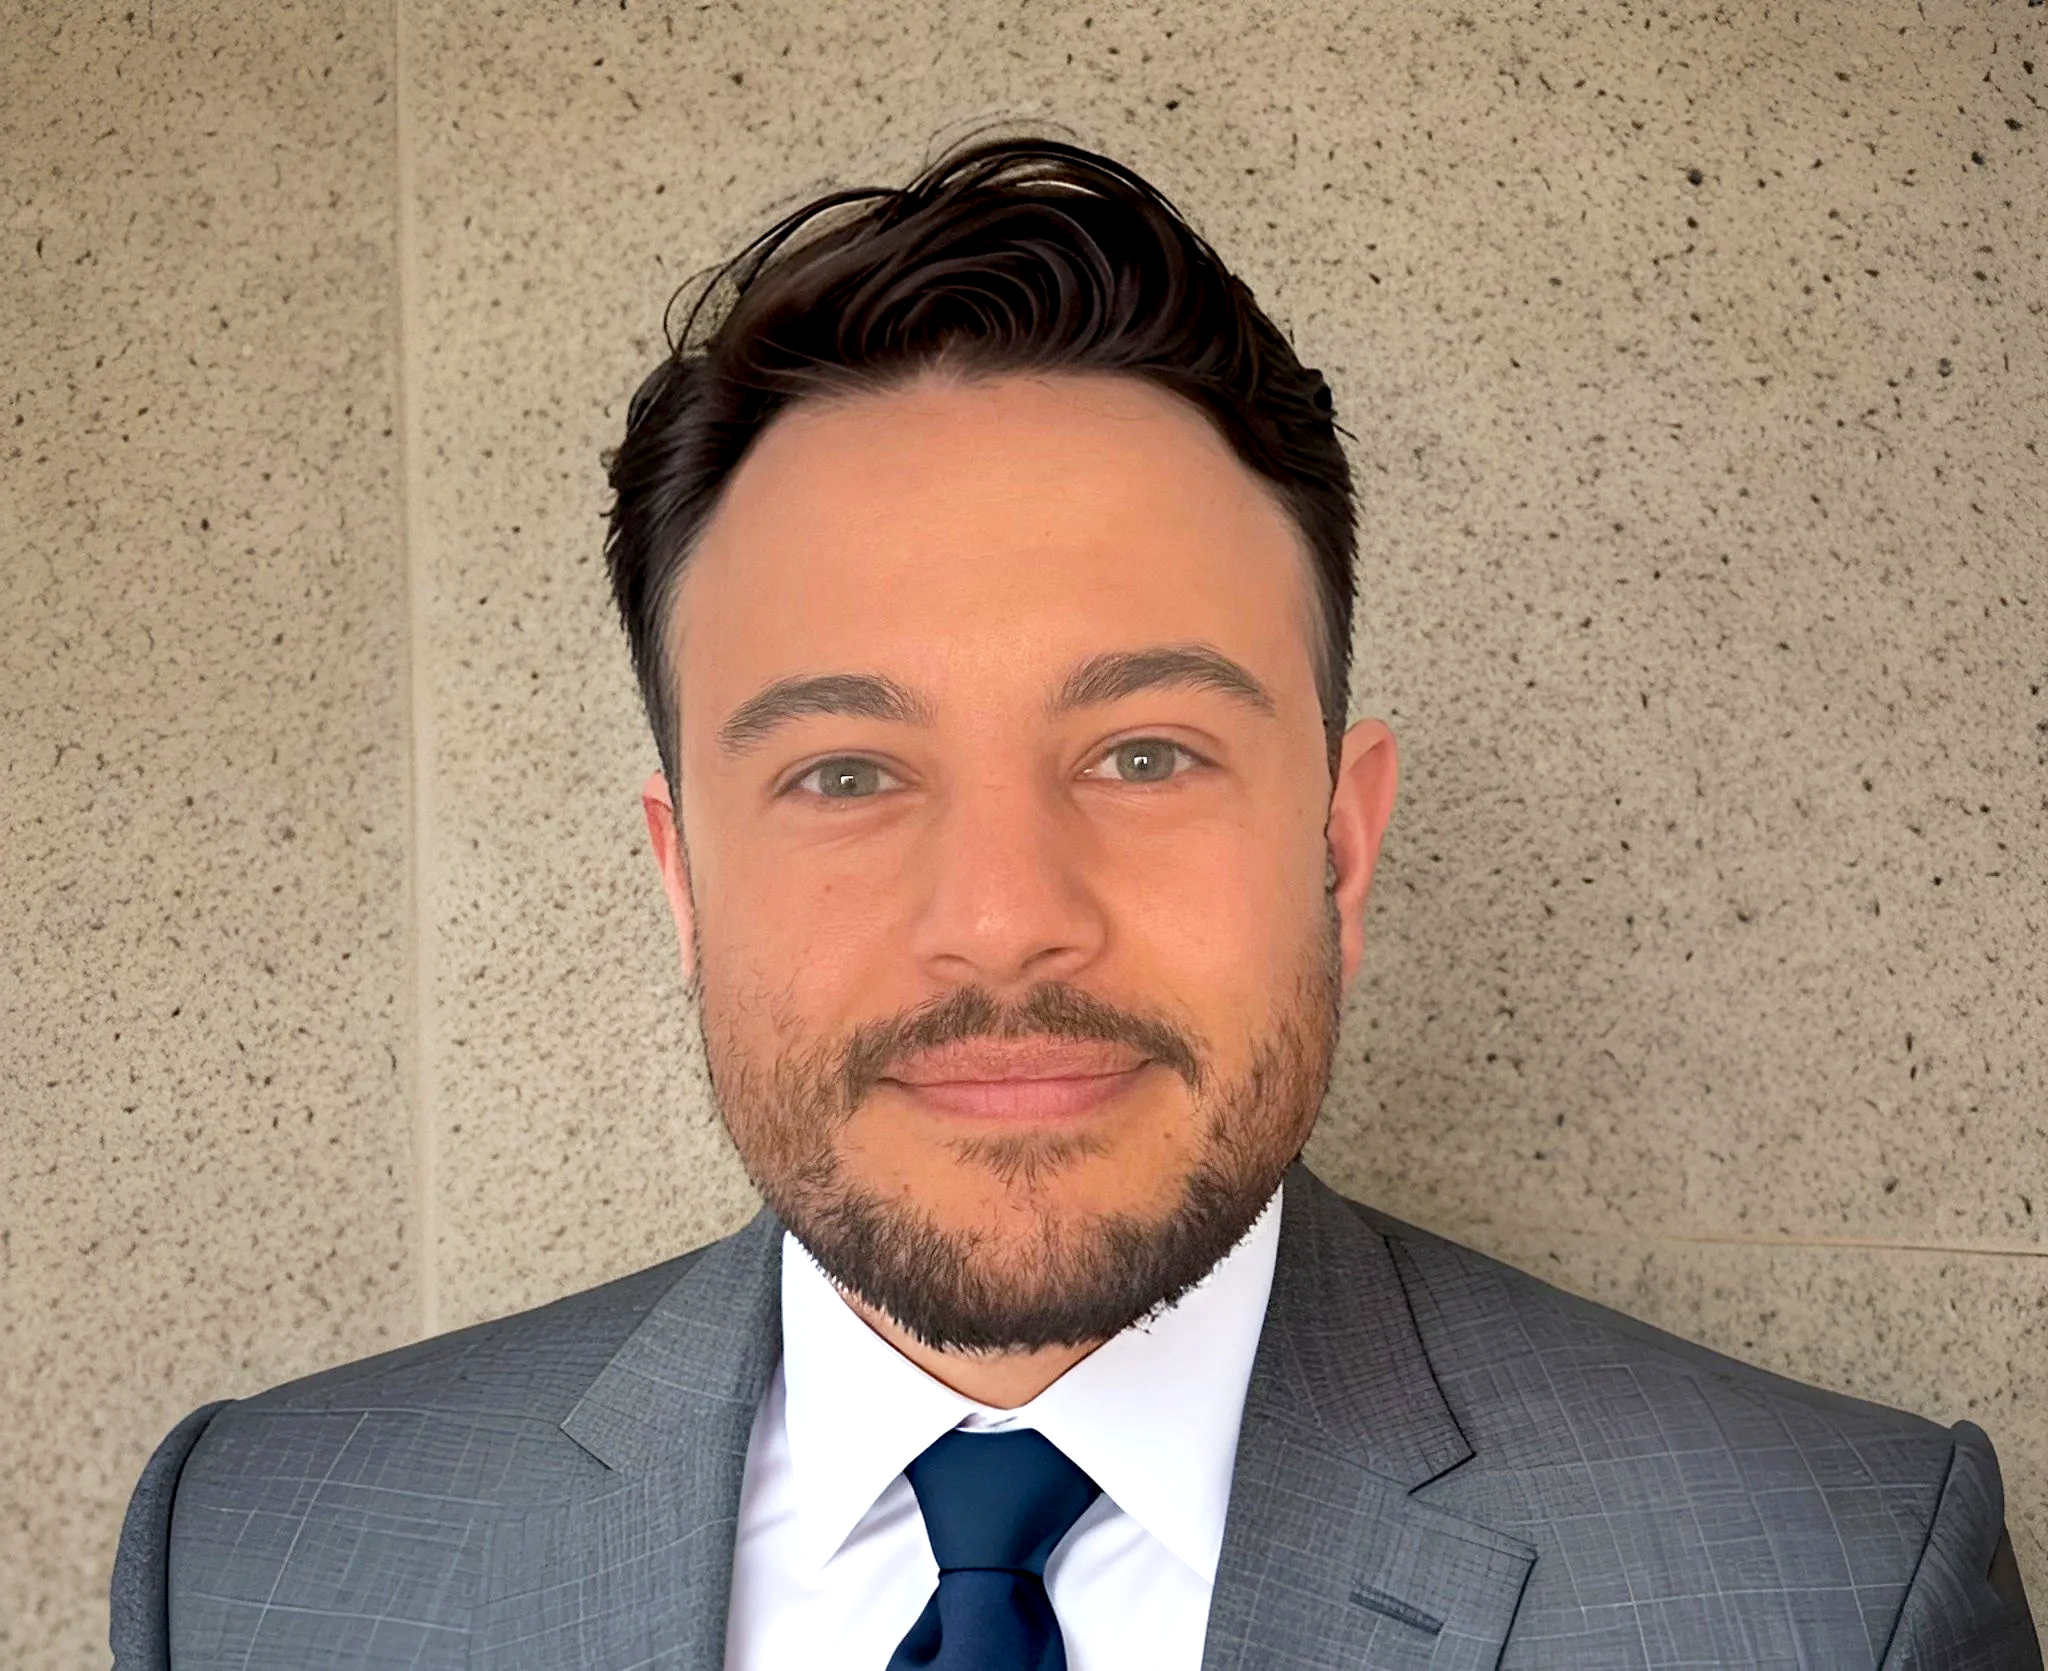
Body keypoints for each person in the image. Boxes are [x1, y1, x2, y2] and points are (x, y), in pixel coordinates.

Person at [111, 133, 2037, 1671]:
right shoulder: (260, 1554)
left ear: (1343, 850)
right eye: (846, 772)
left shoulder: (1832, 1588)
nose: (1007, 919)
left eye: (1143, 752)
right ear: (683, 877)